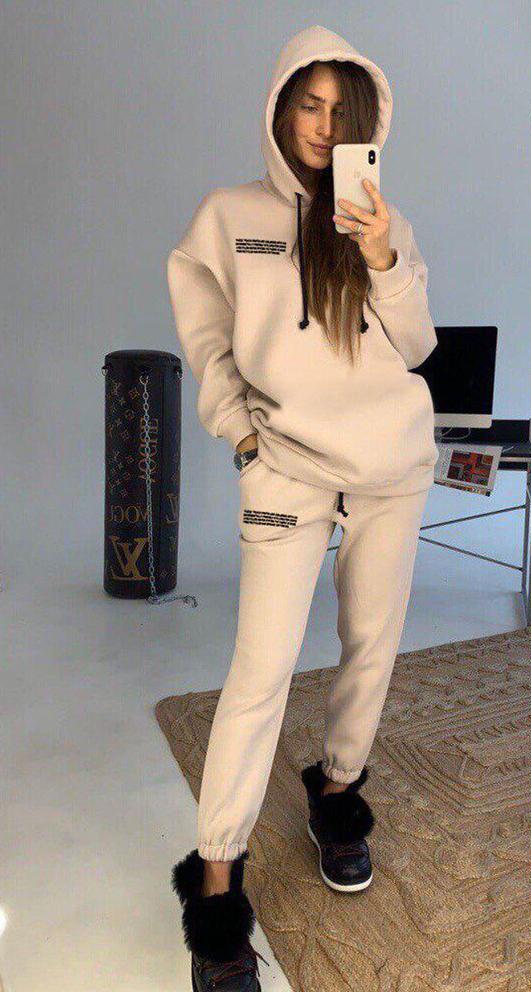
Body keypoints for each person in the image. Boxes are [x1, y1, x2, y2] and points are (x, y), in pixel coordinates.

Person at [166, 24, 439, 992]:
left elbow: (415, 346)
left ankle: (336, 794)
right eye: (309, 105)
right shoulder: (228, 215)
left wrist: (383, 254)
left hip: (390, 465)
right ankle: (216, 887)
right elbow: (206, 336)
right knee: (261, 670)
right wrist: (240, 436)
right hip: (285, 466)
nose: (323, 126)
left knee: (370, 646)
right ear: (281, 106)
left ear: (365, 124)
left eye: (340, 111)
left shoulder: (378, 215)